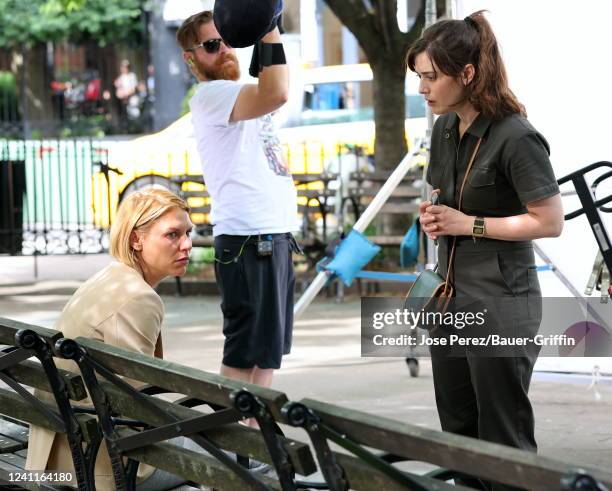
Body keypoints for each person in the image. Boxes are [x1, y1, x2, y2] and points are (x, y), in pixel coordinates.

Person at [407, 10, 564, 490]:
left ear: (468, 73)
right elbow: (444, 200)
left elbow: (549, 222)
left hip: (500, 303)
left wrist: (468, 222)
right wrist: (433, 213)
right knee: (460, 438)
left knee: (503, 442)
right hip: (447, 300)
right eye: (418, 78)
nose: (422, 89)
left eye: (431, 77)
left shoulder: (516, 135)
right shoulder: (443, 128)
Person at [25, 189, 194, 491]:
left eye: (188, 233)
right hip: (101, 467)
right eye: (172, 235)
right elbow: (135, 403)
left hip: (62, 453)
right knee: (248, 457)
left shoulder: (109, 278)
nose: (187, 245)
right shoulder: (137, 297)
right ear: (136, 240)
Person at [176, 10, 298, 396]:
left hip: (271, 235)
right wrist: (268, 21)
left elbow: (271, 85)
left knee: (268, 353)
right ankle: (232, 445)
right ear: (191, 58)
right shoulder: (211, 96)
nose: (225, 49)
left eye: (228, 39)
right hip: (249, 240)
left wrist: (261, 28)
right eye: (212, 45)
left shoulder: (237, 91)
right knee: (244, 353)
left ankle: (252, 439)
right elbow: (277, 91)